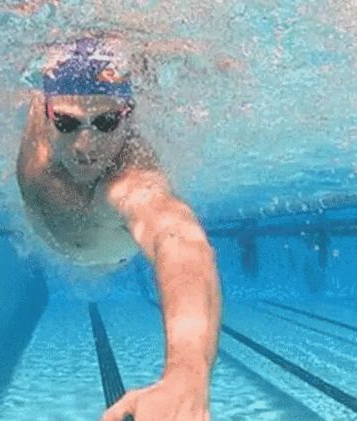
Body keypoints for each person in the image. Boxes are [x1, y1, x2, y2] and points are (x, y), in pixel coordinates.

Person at [16, 37, 221, 421]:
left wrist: (187, 374)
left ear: (128, 116)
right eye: (67, 123)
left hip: (109, 256)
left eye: (106, 122)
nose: (85, 145)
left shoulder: (130, 180)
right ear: (45, 111)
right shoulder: (40, 116)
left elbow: (179, 240)